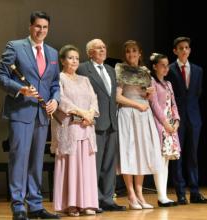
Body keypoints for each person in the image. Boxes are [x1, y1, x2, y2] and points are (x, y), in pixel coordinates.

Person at [0, 11, 60, 220]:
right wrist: (20, 89)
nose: (41, 31)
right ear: (30, 27)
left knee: (36, 161)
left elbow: (55, 83)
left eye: (45, 27)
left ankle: (35, 204)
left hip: (42, 114)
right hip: (21, 112)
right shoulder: (15, 46)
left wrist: (55, 100)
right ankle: (18, 206)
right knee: (19, 158)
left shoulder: (52, 53)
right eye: (38, 26)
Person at [76, 39, 126, 212]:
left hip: (112, 122)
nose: (103, 50)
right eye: (98, 48)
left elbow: (112, 96)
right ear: (90, 52)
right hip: (94, 122)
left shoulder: (111, 70)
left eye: (104, 47)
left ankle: (107, 199)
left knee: (109, 164)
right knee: (94, 164)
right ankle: (94, 199)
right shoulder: (83, 68)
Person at [50, 45, 99, 216]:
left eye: (77, 58)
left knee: (86, 166)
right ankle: (70, 203)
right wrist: (82, 113)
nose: (74, 61)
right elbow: (61, 101)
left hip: (86, 128)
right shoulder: (59, 78)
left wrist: (90, 114)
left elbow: (94, 99)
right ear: (62, 60)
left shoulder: (84, 79)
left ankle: (87, 203)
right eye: (70, 58)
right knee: (71, 166)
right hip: (69, 128)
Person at [115, 40, 162, 210]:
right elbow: (118, 97)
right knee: (129, 153)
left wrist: (149, 94)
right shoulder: (121, 69)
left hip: (143, 115)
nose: (131, 54)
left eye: (134, 51)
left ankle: (140, 194)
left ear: (140, 53)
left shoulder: (144, 71)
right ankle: (131, 194)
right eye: (128, 51)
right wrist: (138, 104)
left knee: (141, 153)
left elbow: (146, 95)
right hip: (128, 113)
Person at [165, 36, 207, 205]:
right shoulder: (169, 69)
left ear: (190, 50)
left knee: (193, 155)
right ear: (175, 51)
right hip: (177, 119)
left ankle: (195, 192)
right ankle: (180, 193)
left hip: (194, 117)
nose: (184, 50)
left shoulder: (198, 70)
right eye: (181, 48)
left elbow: (197, 93)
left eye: (186, 47)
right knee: (178, 155)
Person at [148, 53, 181, 207]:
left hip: (170, 126)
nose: (166, 68)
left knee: (166, 161)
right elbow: (154, 104)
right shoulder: (152, 82)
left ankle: (164, 196)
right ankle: (161, 196)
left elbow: (173, 104)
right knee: (160, 161)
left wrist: (176, 121)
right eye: (163, 65)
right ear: (155, 66)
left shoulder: (168, 84)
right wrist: (165, 124)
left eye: (167, 65)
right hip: (160, 125)